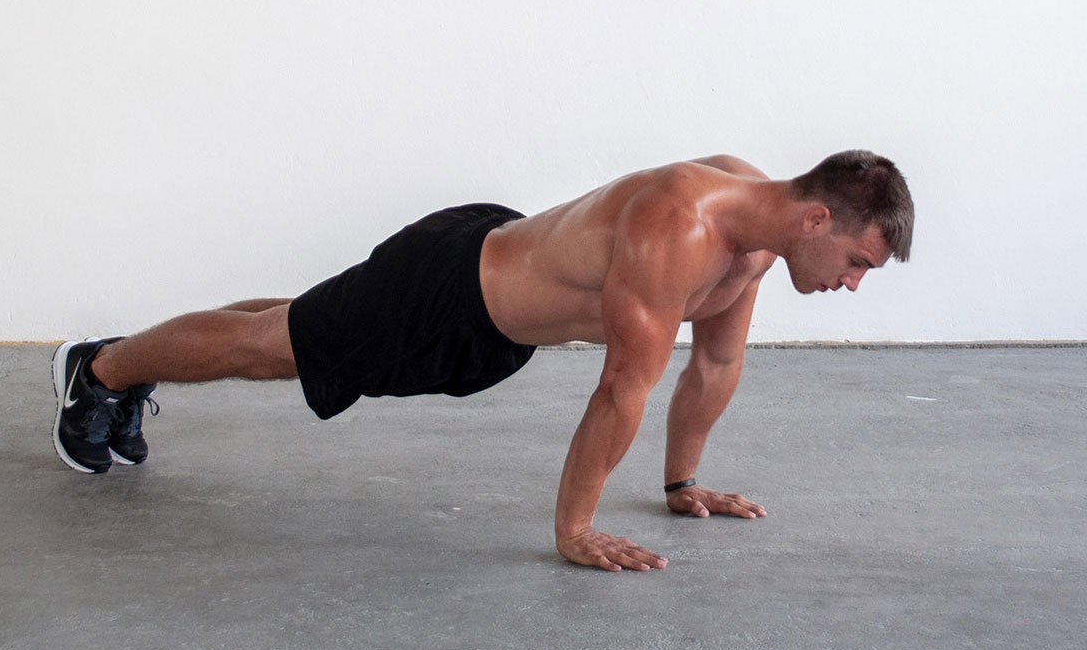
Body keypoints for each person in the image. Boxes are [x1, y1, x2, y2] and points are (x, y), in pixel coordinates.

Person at [51, 150, 914, 572]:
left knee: (288, 328)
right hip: (448, 294)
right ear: (815, 221)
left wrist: (681, 486)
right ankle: (98, 374)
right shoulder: (683, 225)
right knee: (270, 349)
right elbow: (623, 385)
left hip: (490, 311)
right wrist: (573, 533)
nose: (852, 283)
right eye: (857, 263)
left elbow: (713, 369)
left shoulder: (755, 248)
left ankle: (118, 366)